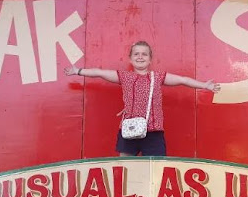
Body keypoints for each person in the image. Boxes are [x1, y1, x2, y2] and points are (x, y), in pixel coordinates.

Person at [64, 41, 220, 156]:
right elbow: (99, 73)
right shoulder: (124, 76)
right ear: (130, 59)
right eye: (136, 54)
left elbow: (183, 80)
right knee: (125, 169)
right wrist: (78, 71)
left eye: (144, 54)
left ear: (150, 59)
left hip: (153, 131)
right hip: (129, 129)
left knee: (155, 170)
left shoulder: (158, 77)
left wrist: (205, 85)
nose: (140, 57)